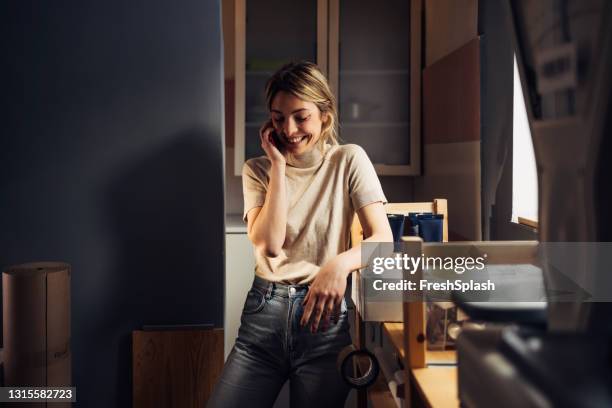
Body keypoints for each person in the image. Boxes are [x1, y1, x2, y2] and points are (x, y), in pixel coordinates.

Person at [208, 61, 392, 407]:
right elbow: (269, 243)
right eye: (278, 117)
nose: (289, 129)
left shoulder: (349, 160)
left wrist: (338, 266)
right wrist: (278, 166)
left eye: (300, 116)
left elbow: (382, 240)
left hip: (323, 322)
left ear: (325, 115)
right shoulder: (258, 169)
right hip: (263, 320)